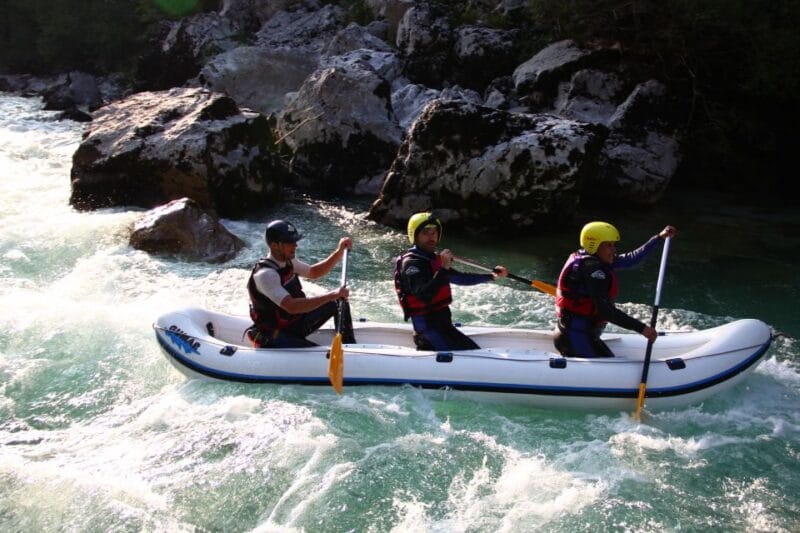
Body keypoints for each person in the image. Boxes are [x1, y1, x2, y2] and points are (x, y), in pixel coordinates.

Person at [554, 221, 677, 357]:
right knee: (608, 363)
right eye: (608, 245)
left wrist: (659, 238)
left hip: (582, 332)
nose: (614, 250)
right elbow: (606, 311)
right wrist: (642, 329)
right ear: (594, 245)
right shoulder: (592, 270)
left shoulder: (597, 259)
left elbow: (632, 259)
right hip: (575, 336)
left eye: (614, 245)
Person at [394, 212, 509, 351]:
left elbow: (460, 278)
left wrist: (490, 276)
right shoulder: (411, 264)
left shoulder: (432, 259)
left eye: (434, 232)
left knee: (475, 351)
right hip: (429, 331)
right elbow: (424, 296)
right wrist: (443, 268)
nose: (431, 237)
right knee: (472, 357)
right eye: (425, 233)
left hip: (443, 327)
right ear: (415, 235)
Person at [246, 219, 354, 348]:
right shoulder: (266, 275)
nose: (295, 245)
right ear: (274, 245)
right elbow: (292, 306)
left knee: (338, 302)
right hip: (274, 334)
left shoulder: (289, 261)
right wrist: (331, 294)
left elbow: (314, 272)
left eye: (295, 241)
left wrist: (339, 252)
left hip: (293, 323)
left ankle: (348, 346)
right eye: (290, 242)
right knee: (318, 352)